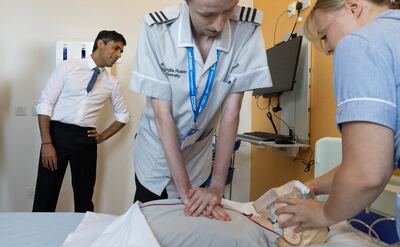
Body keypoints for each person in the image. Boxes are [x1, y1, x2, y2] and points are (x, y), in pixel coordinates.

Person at [130, 0, 272, 220]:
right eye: (208, 14)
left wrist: (216, 187)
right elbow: (162, 115)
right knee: (148, 224)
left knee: (190, 225)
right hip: (156, 152)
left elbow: (231, 114)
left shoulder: (246, 29)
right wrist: (184, 191)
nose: (219, 25)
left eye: (227, 11)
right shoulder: (157, 30)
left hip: (197, 155)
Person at [275, 0, 400, 234]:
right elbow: (372, 159)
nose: (329, 49)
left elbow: (367, 172)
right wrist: (311, 187)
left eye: (324, 36)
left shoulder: (359, 43)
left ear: (353, 8)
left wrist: (324, 213)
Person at [33, 30, 130, 212]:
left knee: (84, 197)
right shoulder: (68, 67)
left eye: (121, 52)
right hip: (57, 135)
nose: (118, 55)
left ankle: (83, 238)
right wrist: (47, 142)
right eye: (115, 48)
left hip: (86, 139)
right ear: (101, 44)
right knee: (46, 194)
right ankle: (37, 236)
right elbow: (45, 103)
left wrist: (101, 137)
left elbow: (123, 116)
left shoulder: (112, 82)